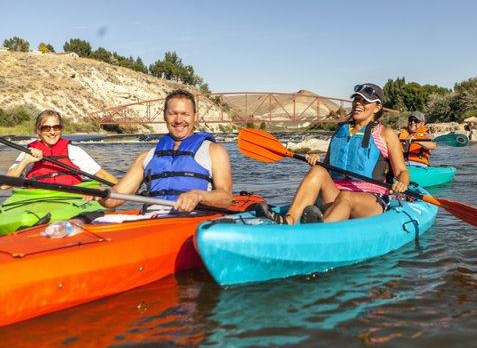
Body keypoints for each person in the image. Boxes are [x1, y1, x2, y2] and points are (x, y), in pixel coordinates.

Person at [256, 83, 409, 225]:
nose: (358, 103)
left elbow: (402, 171)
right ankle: (289, 220)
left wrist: (401, 183)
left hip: (371, 199)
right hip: (335, 194)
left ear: (377, 107)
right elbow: (329, 169)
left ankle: (321, 229)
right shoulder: (340, 131)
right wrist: (318, 161)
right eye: (356, 99)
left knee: (346, 196)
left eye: (365, 101)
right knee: (317, 171)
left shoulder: (386, 134)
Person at [96, 89, 232, 213]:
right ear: (164, 116)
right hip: (152, 223)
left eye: (185, 114)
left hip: (192, 222)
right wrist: (101, 194)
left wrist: (199, 195)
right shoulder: (146, 157)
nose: (178, 120)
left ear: (194, 116)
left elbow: (225, 197)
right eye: (172, 114)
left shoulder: (214, 151)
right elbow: (115, 197)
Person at [1, 110, 118, 189]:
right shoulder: (28, 152)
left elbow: (102, 175)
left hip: (71, 199)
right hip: (38, 200)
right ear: (38, 131)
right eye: (46, 128)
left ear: (61, 129)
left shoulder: (73, 151)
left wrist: (126, 189)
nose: (52, 132)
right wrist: (25, 161)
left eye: (56, 127)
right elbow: (5, 186)